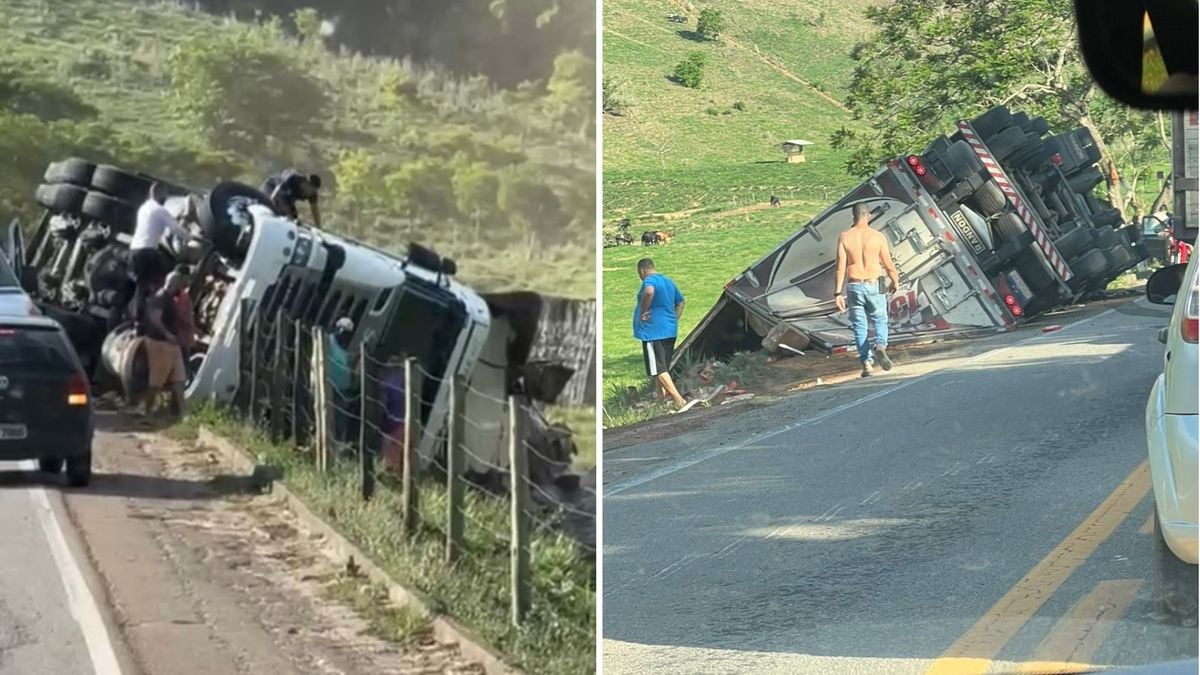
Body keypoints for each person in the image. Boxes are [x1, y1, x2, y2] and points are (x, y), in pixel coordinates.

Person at [835, 202, 901, 378]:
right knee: (880, 318)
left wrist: (837, 293)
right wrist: (895, 281)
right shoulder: (877, 237)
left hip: (854, 285)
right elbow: (888, 264)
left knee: (859, 326)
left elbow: (840, 267)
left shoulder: (844, 237)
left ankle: (866, 364)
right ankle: (880, 346)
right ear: (868, 215)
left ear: (853, 217)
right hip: (874, 282)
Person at [633, 258, 697, 413]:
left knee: (658, 369)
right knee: (662, 367)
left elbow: (649, 292)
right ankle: (661, 400)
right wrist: (673, 318)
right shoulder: (668, 282)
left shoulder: (650, 281)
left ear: (642, 270)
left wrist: (643, 312)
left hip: (653, 332)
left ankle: (679, 400)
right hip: (669, 330)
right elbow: (681, 302)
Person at [131, 183, 198, 305]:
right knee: (167, 274)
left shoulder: (143, 208)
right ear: (160, 195)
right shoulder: (159, 209)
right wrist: (189, 237)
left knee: (142, 286)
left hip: (134, 251)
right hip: (148, 251)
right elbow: (175, 228)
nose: (166, 197)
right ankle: (176, 301)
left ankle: (139, 316)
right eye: (165, 194)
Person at [135, 271, 189, 417]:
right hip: (159, 343)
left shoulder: (169, 298)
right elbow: (155, 317)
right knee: (156, 381)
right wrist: (167, 333)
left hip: (172, 344)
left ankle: (184, 413)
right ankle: (146, 411)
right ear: (175, 284)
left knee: (179, 378)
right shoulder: (161, 298)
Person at [326, 316, 358, 447]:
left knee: (341, 419)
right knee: (330, 416)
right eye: (343, 331)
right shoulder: (329, 342)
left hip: (343, 390)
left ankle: (338, 444)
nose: (345, 336)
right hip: (330, 386)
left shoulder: (343, 349)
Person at [379, 355, 408, 475]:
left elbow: (383, 403)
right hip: (404, 420)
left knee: (391, 448)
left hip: (392, 421)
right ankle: (401, 472)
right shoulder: (405, 383)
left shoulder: (386, 384)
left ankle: (391, 471)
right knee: (402, 449)